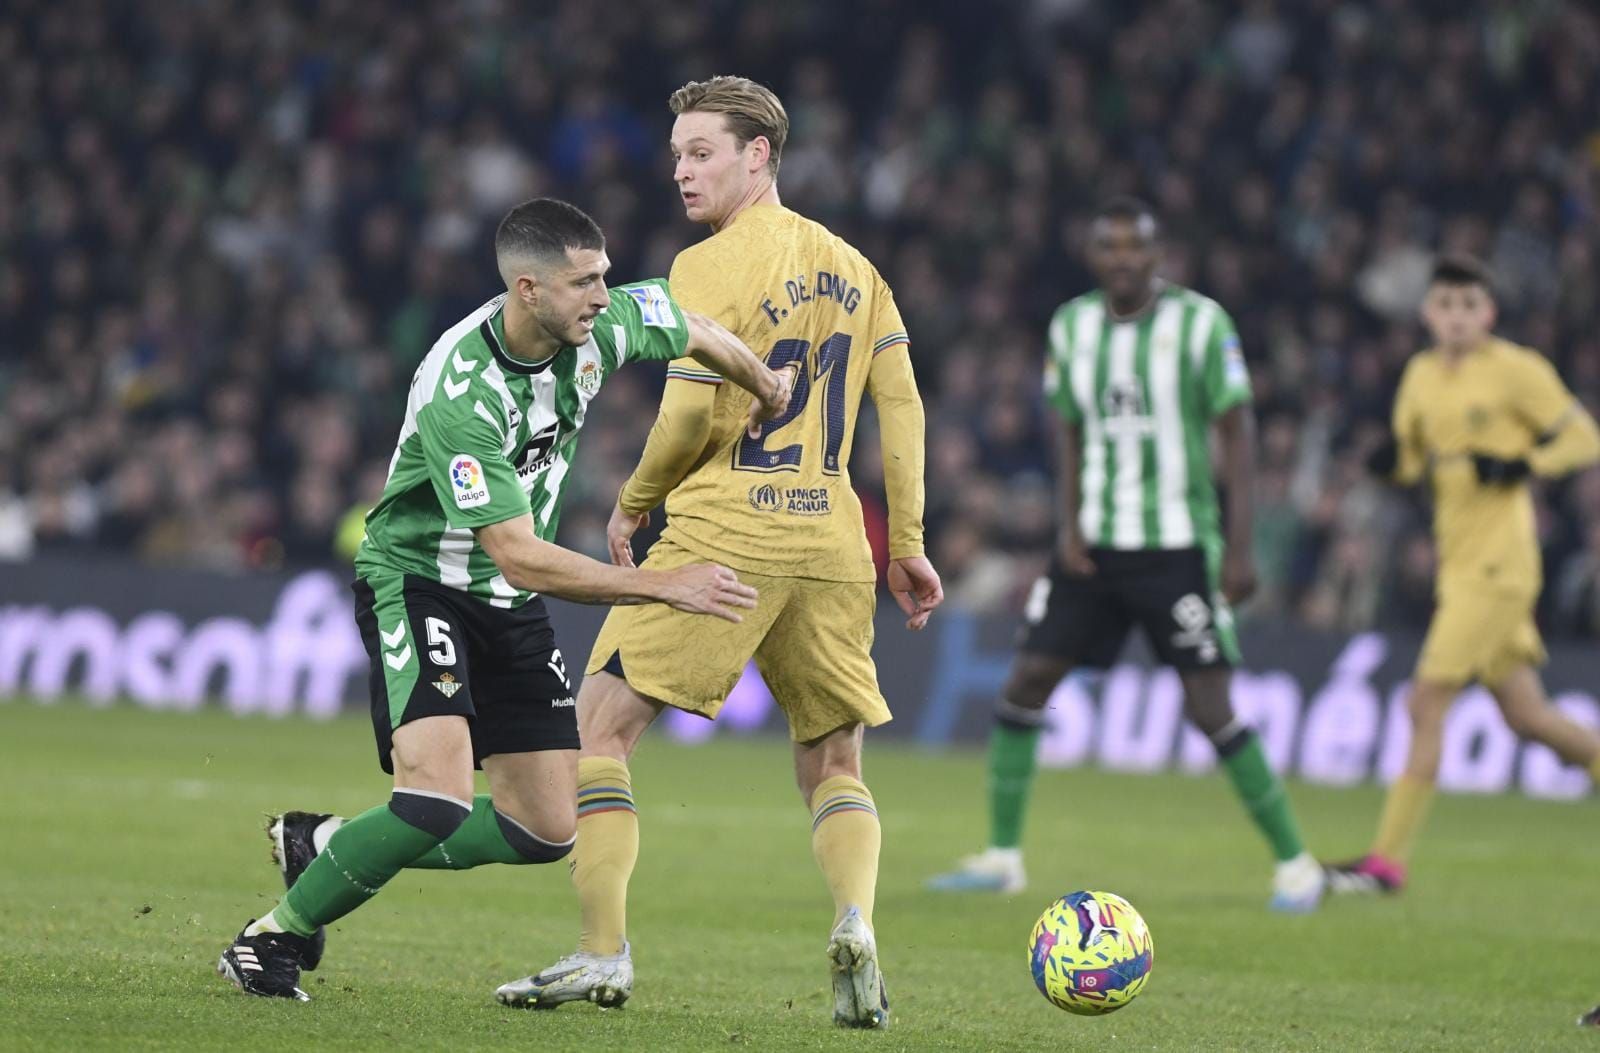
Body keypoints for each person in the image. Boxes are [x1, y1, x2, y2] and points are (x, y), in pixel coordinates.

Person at [216, 197, 795, 1001]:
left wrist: (766, 385)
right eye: (582, 282)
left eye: (603, 275)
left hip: (503, 600)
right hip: (421, 582)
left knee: (545, 828)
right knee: (434, 799)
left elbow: (691, 325)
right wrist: (664, 583)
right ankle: (271, 936)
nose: (602, 294)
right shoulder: (467, 391)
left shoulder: (602, 324)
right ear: (528, 290)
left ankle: (330, 842)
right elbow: (518, 555)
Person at [494, 77, 942, 1029]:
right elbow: (899, 408)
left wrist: (638, 497)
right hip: (829, 538)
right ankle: (855, 921)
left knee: (603, 729)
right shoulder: (861, 270)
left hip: (725, 530)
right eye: (676, 154)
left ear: (759, 155)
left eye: (701, 152)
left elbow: (694, 407)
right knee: (833, 760)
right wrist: (904, 539)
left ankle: (602, 951)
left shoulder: (706, 267)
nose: (682, 170)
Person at [925, 197, 1325, 912]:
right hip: (1095, 547)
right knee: (1025, 684)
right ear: (1094, 255)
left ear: (1156, 252)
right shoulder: (1073, 325)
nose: (1122, 259)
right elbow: (1069, 431)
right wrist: (1068, 528)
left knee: (1212, 707)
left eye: (1134, 247)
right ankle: (1002, 854)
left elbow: (1238, 432)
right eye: (1109, 247)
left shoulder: (1201, 324)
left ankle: (1297, 862)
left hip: (1176, 546)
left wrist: (1239, 546)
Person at [1326, 255, 1600, 895]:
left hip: (1500, 567)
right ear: (1428, 313)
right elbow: (1412, 461)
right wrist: (1387, 464)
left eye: (1468, 306)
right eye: (1445, 306)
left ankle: (1386, 863)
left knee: (1424, 702)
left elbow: (1585, 437)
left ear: (1489, 313)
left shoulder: (1517, 370)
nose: (1456, 318)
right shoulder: (1420, 376)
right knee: (1528, 717)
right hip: (1458, 566)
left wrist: (1522, 464)